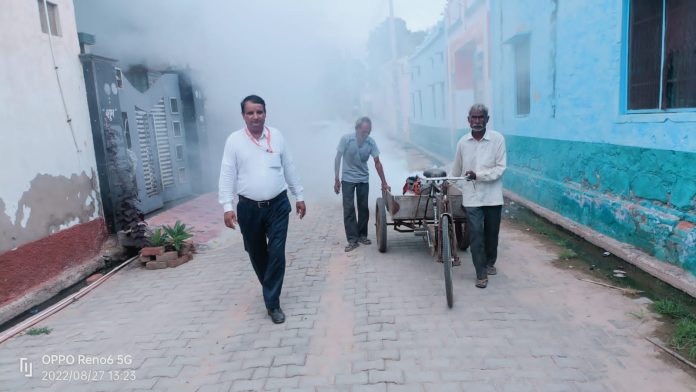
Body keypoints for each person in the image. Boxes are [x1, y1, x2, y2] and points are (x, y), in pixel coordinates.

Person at [218, 95, 306, 324]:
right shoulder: (234, 141)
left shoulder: (276, 136)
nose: (255, 117)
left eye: (259, 112)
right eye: (250, 113)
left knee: (276, 254)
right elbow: (227, 174)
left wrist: (300, 195)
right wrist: (227, 207)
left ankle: (272, 303)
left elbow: (289, 166)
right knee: (256, 253)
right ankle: (271, 287)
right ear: (243, 116)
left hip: (278, 205)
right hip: (248, 208)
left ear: (265, 113)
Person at [451, 104, 506, 289]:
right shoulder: (462, 143)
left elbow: (500, 168)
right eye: (473, 117)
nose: (477, 121)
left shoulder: (497, 140)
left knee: (491, 234)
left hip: (493, 197)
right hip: (472, 199)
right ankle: (481, 274)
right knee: (475, 234)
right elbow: (456, 172)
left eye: (480, 117)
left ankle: (490, 262)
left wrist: (478, 176)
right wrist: (464, 188)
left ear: (487, 119)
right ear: (468, 120)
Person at [334, 117, 390, 252]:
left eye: (368, 132)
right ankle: (352, 240)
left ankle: (362, 235)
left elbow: (377, 162)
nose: (366, 135)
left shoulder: (371, 142)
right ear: (357, 129)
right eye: (364, 132)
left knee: (363, 208)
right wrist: (336, 179)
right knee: (349, 209)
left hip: (363, 179)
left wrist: (384, 182)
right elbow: (338, 158)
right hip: (347, 178)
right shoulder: (346, 139)